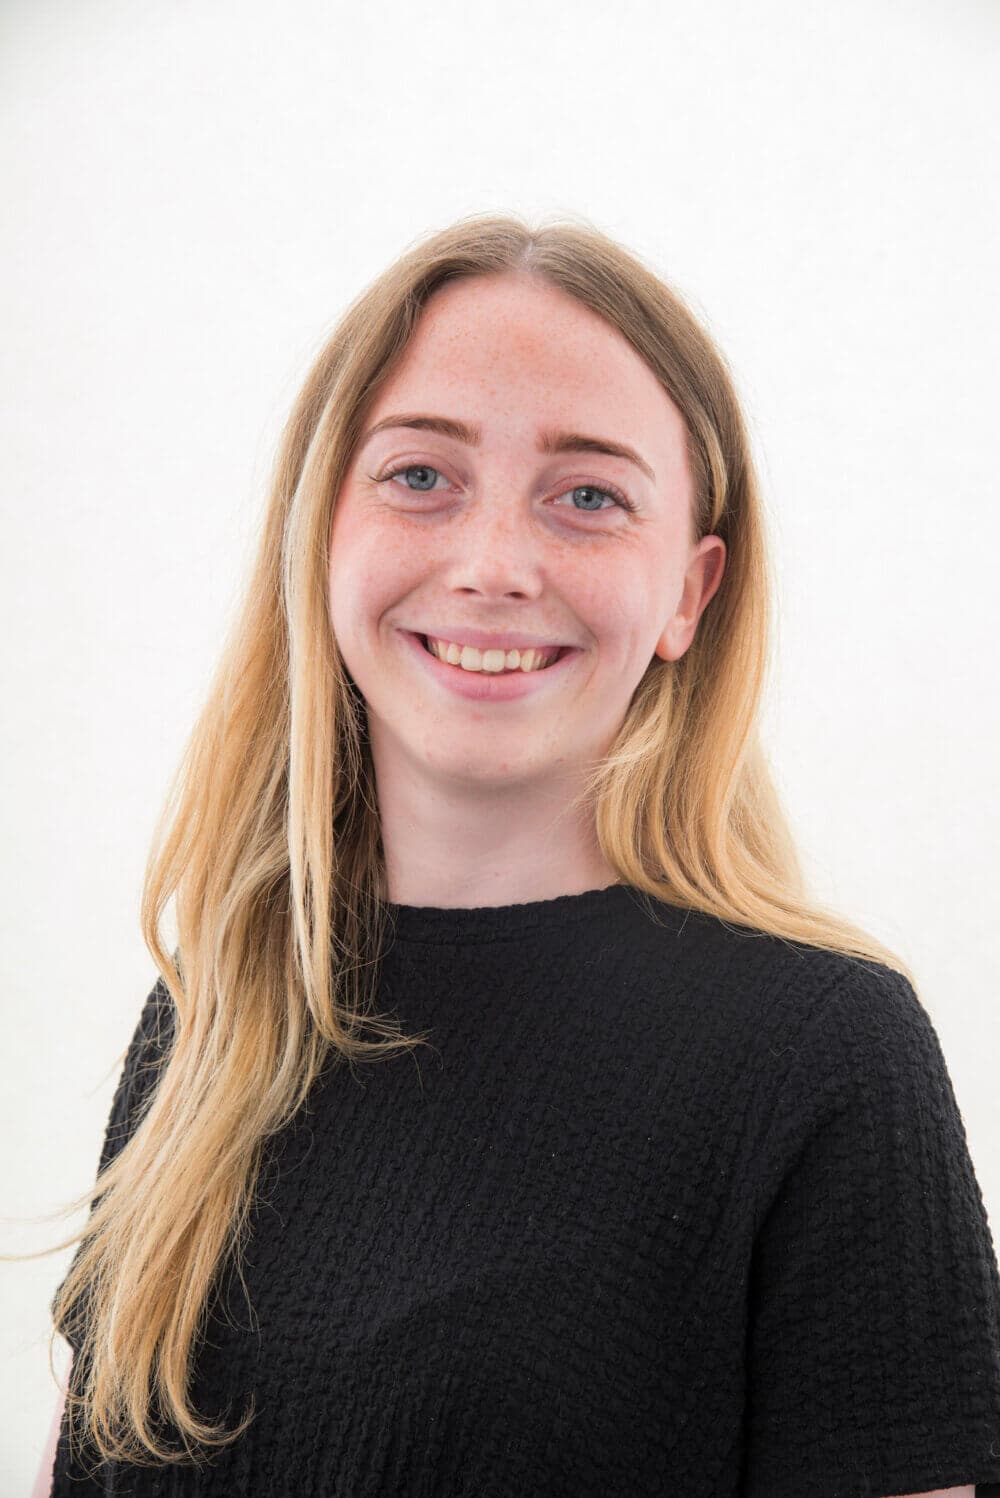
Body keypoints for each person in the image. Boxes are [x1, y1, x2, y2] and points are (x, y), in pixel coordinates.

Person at [34, 214, 1000, 1496]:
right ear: (320, 533)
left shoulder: (824, 1055)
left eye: (588, 495)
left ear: (688, 594)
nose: (492, 565)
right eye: (420, 476)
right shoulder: (214, 1012)